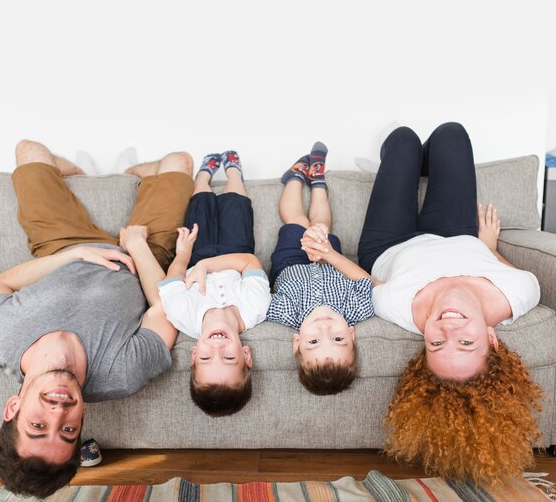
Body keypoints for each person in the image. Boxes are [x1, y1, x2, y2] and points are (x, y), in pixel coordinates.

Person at [0, 139, 194, 498]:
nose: (59, 411)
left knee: (29, 150)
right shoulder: (122, 373)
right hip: (145, 256)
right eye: (68, 431)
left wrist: (72, 254)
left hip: (62, 245)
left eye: (39, 425)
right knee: (180, 160)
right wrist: (135, 247)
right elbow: (166, 309)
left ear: (13, 408)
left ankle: (76, 171)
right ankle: (139, 174)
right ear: (83, 421)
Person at [357, 122, 543, 484]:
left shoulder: (400, 308)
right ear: (492, 338)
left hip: (391, 244)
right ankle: (420, 172)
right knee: (451, 135)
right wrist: (489, 248)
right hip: (457, 233)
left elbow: (369, 282)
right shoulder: (519, 293)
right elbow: (515, 272)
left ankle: (404, 167)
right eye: (466, 342)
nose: (448, 328)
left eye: (437, 343)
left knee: (403, 140)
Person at [150, 151, 271, 417]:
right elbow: (249, 261)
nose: (217, 348)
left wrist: (184, 254)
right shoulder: (256, 309)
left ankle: (204, 175)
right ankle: (233, 172)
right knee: (236, 205)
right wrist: (207, 267)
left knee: (201, 203)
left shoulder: (182, 316)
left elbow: (172, 280)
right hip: (235, 250)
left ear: (194, 355)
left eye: (206, 358)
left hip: (196, 252)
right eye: (229, 358)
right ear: (246, 355)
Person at [266, 142, 375, 395]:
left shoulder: (284, 314)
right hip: (331, 257)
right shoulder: (357, 310)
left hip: (290, 261)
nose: (325, 329)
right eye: (338, 339)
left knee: (299, 221)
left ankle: (293, 178)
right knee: (322, 224)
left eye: (313, 341)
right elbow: (365, 282)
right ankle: (317, 180)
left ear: (297, 342)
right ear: (351, 334)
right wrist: (329, 253)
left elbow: (260, 292)